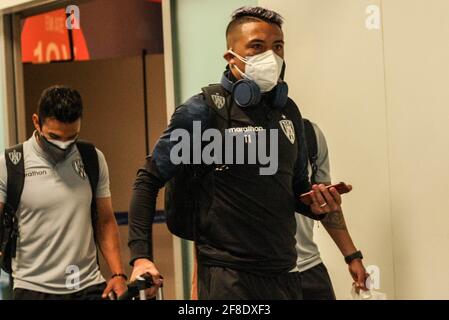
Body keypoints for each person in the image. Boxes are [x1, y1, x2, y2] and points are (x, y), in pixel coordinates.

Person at [128, 6, 346, 300]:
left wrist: (316, 206)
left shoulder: (287, 111)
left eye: (277, 46)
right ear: (231, 57)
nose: (271, 56)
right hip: (227, 277)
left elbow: (296, 190)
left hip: (285, 273)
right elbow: (148, 180)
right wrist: (141, 256)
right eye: (257, 46)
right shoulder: (202, 111)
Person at [0, 86, 127, 300]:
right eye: (54, 137)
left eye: (72, 137)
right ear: (36, 122)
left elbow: (105, 222)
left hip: (88, 285)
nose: (63, 146)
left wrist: (118, 273)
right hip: (33, 288)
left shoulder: (92, 159)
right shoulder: (11, 165)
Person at [296, 120, 368, 300]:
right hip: (253, 273)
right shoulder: (228, 134)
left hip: (308, 266)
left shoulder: (309, 133)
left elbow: (325, 204)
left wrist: (352, 256)